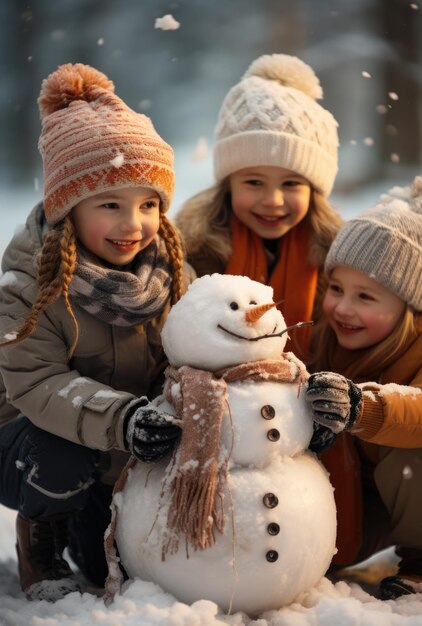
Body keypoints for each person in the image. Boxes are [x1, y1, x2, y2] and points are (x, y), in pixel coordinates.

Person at [0, 63, 193, 601]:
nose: (133, 224)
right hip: (29, 439)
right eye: (110, 204)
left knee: (103, 562)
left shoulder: (171, 273)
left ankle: (92, 528)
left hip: (123, 451)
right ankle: (40, 531)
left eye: (148, 204)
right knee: (58, 459)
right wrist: (123, 417)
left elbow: (199, 351)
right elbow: (35, 382)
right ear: (68, 209)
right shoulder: (28, 285)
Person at [305, 175, 422, 599]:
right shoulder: (327, 340)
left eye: (366, 297)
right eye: (337, 289)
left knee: (411, 439)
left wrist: (364, 408)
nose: (343, 308)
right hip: (383, 493)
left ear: (408, 305)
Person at [176, 53, 342, 360]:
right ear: (228, 184)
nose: (273, 200)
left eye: (291, 184)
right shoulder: (192, 255)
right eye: (254, 182)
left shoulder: (340, 263)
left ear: (314, 191)